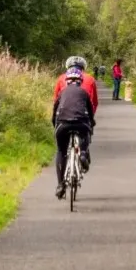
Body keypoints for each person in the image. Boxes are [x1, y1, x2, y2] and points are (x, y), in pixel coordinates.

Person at [51, 67, 95, 200]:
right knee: (85, 133)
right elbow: (91, 113)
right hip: (81, 123)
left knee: (61, 151)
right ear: (80, 81)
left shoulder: (62, 92)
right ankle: (82, 153)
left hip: (63, 124)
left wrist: (55, 125)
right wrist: (91, 125)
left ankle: (60, 185)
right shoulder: (84, 92)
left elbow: (54, 113)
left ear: (67, 81)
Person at [53, 56, 98, 165]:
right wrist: (90, 117)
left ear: (68, 66)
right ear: (83, 67)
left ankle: (62, 179)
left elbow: (56, 100)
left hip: (63, 117)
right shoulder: (90, 79)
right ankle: (84, 151)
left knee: (61, 149)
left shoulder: (61, 78)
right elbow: (94, 102)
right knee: (85, 132)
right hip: (83, 114)